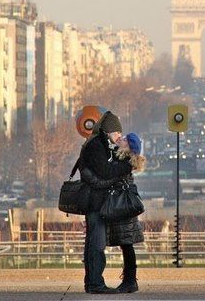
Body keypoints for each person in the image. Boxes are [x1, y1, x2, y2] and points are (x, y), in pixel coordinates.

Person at [74, 111, 132, 294]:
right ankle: (95, 284)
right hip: (95, 202)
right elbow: (105, 171)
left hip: (97, 201)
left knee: (94, 243)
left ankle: (92, 282)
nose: (119, 137)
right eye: (117, 134)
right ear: (109, 131)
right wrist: (127, 166)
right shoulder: (96, 146)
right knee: (96, 245)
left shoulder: (98, 144)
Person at [106, 132, 146, 293]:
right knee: (126, 245)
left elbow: (108, 171)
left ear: (129, 146)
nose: (120, 140)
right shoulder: (125, 159)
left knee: (126, 244)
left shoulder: (124, 162)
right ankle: (129, 280)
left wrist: (110, 141)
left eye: (124, 140)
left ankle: (130, 280)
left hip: (122, 208)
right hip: (123, 208)